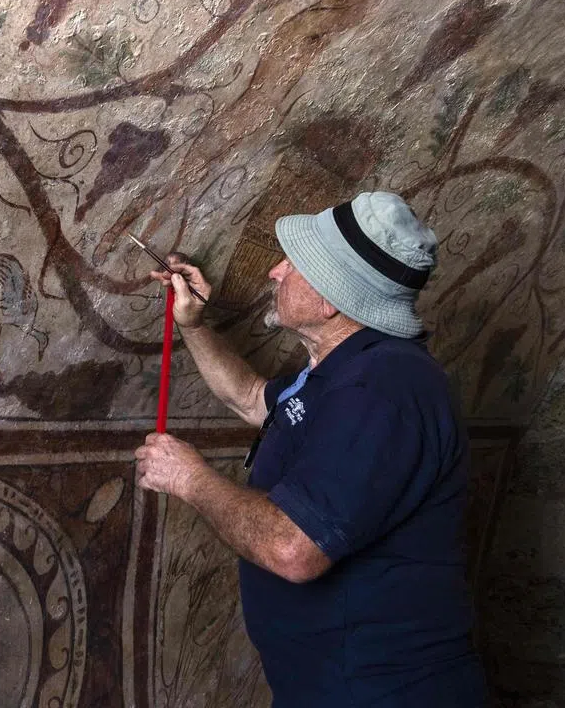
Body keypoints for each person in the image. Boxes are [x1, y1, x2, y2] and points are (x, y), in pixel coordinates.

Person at [135, 191, 485, 707]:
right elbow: (252, 397)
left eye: (294, 264)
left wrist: (188, 478)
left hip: (383, 692)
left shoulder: (381, 391)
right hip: (332, 685)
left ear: (330, 298)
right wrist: (193, 323)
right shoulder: (346, 368)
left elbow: (292, 549)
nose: (275, 271)